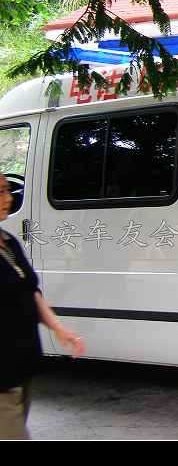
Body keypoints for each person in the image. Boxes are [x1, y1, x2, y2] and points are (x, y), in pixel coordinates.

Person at [0, 173, 85, 439]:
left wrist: (59, 329)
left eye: (7, 190)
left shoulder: (9, 242)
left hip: (20, 365)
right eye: (0, 192)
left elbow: (30, 291)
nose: (8, 198)